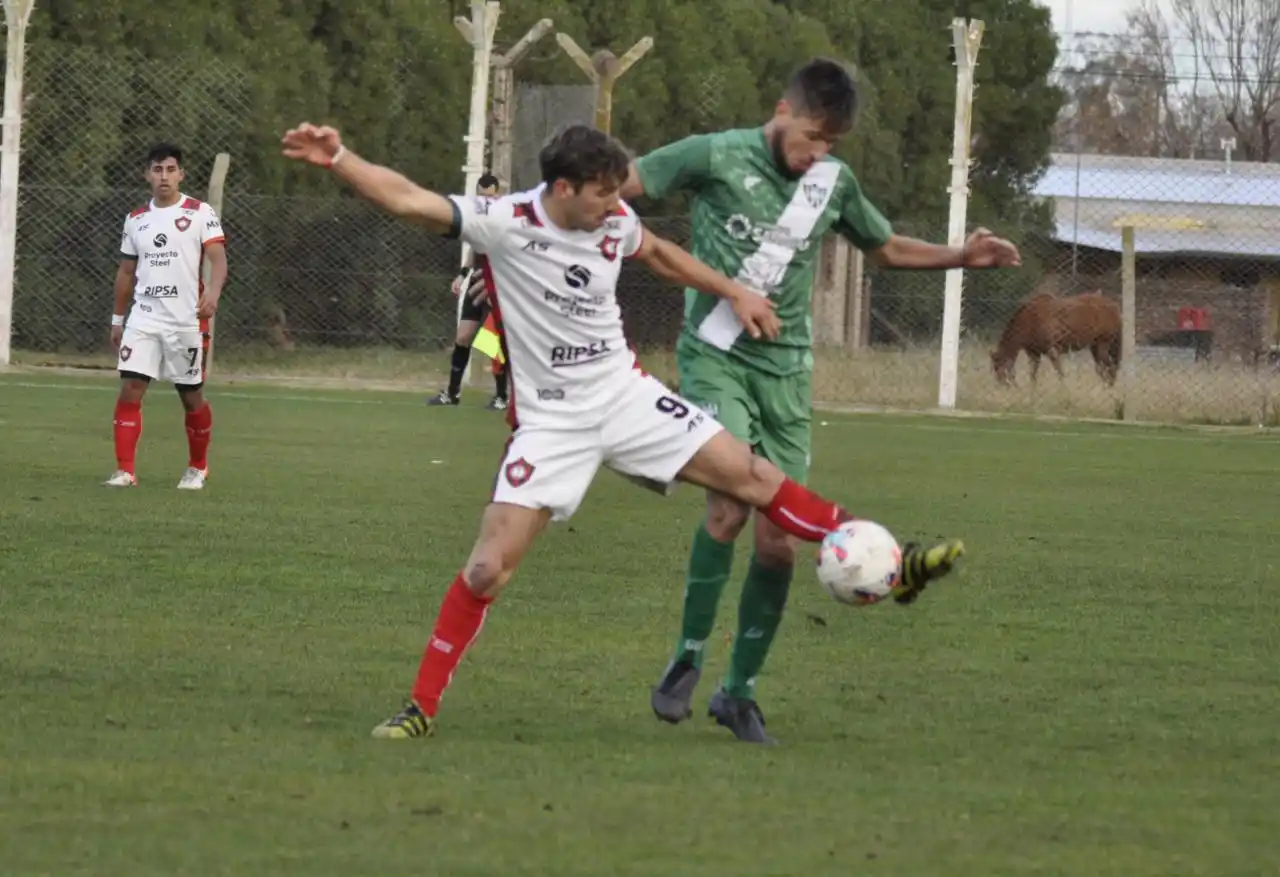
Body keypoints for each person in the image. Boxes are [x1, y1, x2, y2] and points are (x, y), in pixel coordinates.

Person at [280, 120, 964, 745]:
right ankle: (420, 706)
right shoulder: (505, 221)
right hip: (551, 421)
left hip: (626, 395)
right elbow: (407, 200)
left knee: (752, 476)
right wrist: (338, 157)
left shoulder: (614, 220)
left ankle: (894, 566)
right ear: (562, 187)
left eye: (618, 193)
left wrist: (733, 291)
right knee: (488, 567)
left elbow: (663, 254)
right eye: (602, 194)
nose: (616, 205)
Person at [620, 57, 1020, 742]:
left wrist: (962, 255)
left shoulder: (832, 182)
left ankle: (737, 692)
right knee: (728, 507)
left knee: (778, 544)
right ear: (783, 110)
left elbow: (886, 246)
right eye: (810, 137)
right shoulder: (714, 155)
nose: (817, 154)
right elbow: (624, 181)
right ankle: (686, 655)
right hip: (715, 358)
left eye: (830, 144)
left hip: (788, 375)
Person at [105, 143, 228, 490]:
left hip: (184, 322)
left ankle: (198, 467)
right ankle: (125, 471)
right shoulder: (136, 219)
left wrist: (214, 292)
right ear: (147, 175)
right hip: (144, 318)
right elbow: (126, 273)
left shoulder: (199, 212)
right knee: (130, 388)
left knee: (191, 396)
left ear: (181, 174)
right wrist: (117, 320)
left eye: (171, 170)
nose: (164, 176)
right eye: (157, 170)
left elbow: (218, 258)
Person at [427, 172, 510, 410]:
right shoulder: (480, 220)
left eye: (491, 197)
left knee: (496, 341)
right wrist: (464, 274)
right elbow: (475, 248)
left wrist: (499, 278)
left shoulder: (509, 221)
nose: (486, 201)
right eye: (482, 196)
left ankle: (502, 396)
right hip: (477, 281)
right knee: (463, 337)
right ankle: (452, 393)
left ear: (500, 196)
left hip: (499, 284)